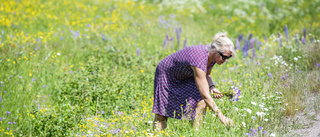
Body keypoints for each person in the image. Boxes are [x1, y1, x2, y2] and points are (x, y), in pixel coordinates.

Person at [152, 32, 236, 131]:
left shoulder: (212, 57)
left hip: (186, 75)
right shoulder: (199, 59)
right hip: (167, 75)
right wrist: (222, 117)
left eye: (228, 57)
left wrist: (212, 87)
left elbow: (207, 74)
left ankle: (196, 133)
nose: (226, 60)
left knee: (201, 103)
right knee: (162, 115)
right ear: (215, 50)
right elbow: (205, 95)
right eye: (224, 56)